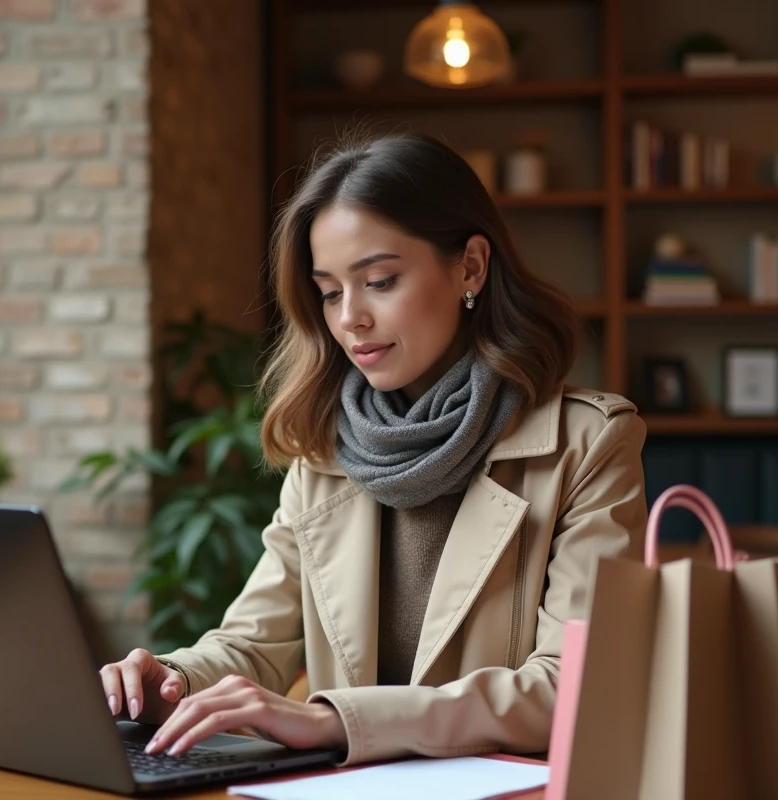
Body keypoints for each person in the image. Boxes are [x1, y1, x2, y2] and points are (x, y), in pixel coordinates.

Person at [99, 132, 648, 766]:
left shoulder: (588, 443)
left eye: (380, 281)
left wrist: (338, 720)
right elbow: (254, 645)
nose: (350, 318)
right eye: (330, 292)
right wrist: (164, 681)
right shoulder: (324, 451)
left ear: (470, 266)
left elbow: (570, 686)